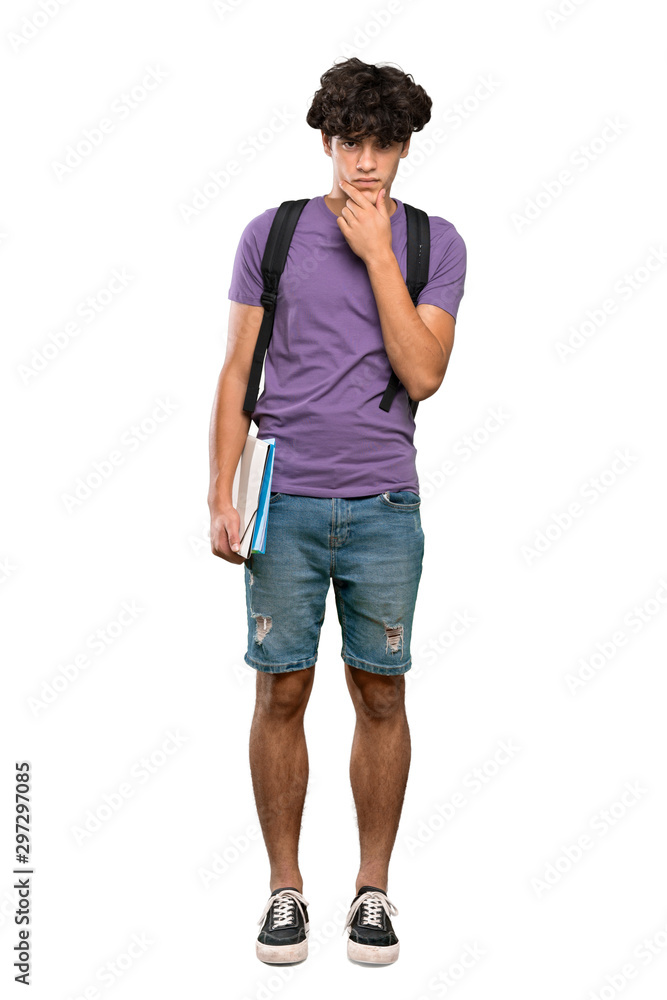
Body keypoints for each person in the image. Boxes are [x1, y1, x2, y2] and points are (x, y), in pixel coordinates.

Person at [207, 57, 467, 966]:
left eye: (383, 144)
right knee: (280, 688)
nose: (364, 162)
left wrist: (374, 255)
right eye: (349, 142)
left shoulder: (434, 245)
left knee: (380, 691)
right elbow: (238, 373)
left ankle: (372, 892)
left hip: (384, 502)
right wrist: (218, 490)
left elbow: (423, 373)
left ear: (404, 149)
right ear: (325, 140)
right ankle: (285, 890)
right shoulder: (269, 235)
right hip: (282, 496)